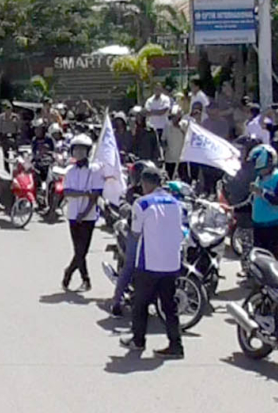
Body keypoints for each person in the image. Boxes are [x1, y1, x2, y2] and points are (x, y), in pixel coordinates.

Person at [116, 167, 185, 358]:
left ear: (145, 184)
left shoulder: (142, 203)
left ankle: (138, 341)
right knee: (169, 306)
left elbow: (136, 233)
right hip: (171, 262)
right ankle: (176, 344)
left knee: (141, 303)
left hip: (149, 262)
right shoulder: (175, 202)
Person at [62, 134, 102, 292]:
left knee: (83, 250)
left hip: (89, 216)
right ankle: (85, 279)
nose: (79, 152)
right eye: (76, 149)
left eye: (82, 149)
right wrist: (83, 193)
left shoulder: (95, 170)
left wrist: (84, 213)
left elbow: (95, 195)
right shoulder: (70, 171)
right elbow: (67, 192)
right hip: (72, 214)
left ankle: (70, 271)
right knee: (78, 249)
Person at [248, 144, 278, 263]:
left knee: (276, 259)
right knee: (260, 259)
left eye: (262, 169)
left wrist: (263, 192)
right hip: (259, 226)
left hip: (275, 226)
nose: (260, 172)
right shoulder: (260, 178)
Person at [162, 108, 187, 179]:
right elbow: (163, 139)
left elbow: (187, 136)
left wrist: (180, 128)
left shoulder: (185, 124)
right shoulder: (167, 125)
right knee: (169, 176)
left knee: (183, 176)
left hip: (181, 158)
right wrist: (165, 149)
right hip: (170, 157)